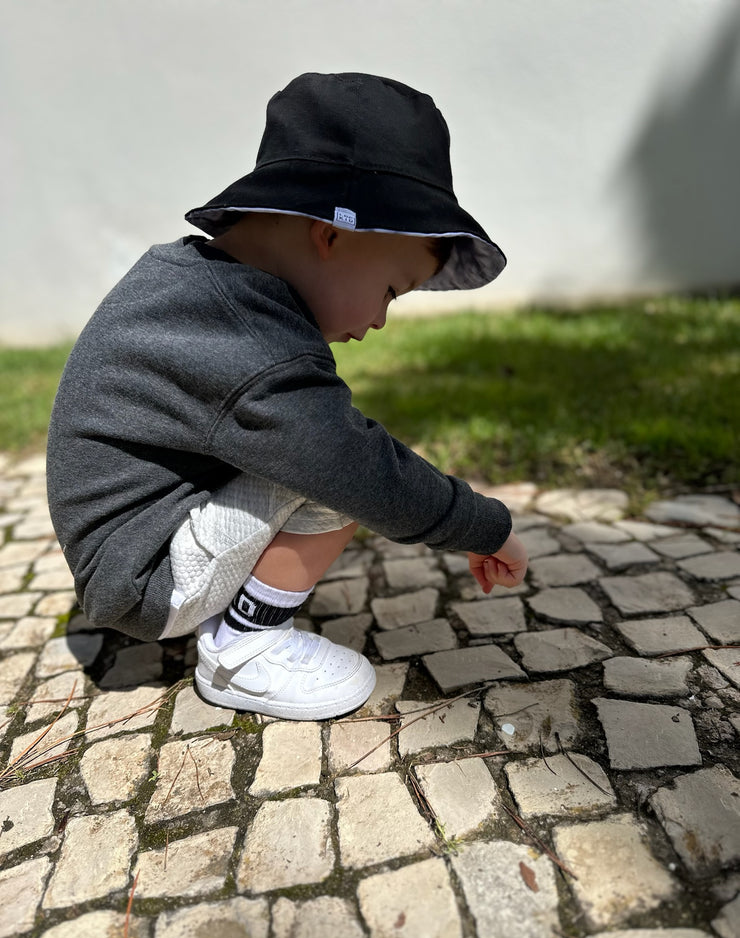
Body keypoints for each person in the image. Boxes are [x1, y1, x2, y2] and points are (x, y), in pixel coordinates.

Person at [46, 72, 528, 721]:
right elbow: (354, 465)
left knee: (327, 445)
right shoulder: (249, 341)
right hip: (145, 580)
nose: (382, 320)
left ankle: (234, 617)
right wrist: (483, 524)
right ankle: (242, 651)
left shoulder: (198, 288)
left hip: (135, 547)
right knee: (339, 465)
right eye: (391, 289)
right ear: (332, 235)